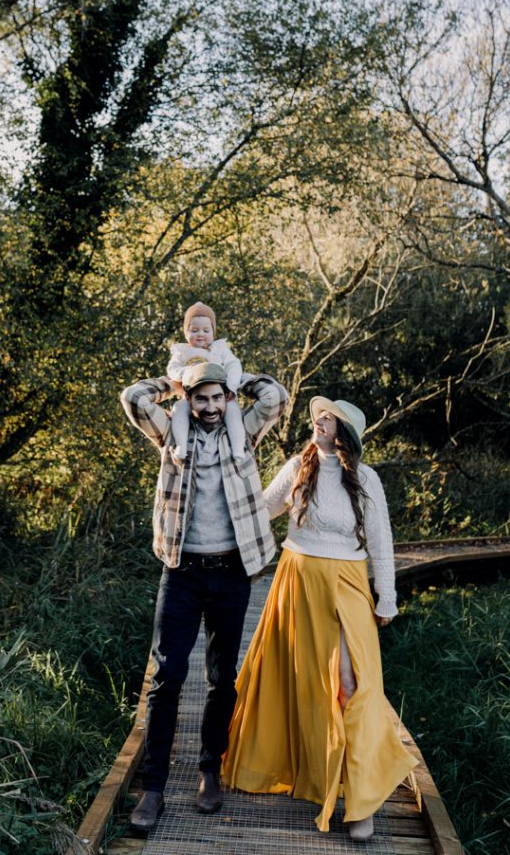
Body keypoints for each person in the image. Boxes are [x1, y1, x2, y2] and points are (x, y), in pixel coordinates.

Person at [222, 395, 418, 842]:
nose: (319, 422)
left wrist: (386, 597)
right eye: (319, 417)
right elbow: (261, 509)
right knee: (302, 681)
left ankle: (361, 800)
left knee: (352, 685)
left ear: (344, 433)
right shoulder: (298, 466)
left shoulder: (366, 479)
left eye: (328, 419)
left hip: (346, 584)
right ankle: (309, 773)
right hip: (297, 580)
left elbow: (381, 540)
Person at [120, 360, 288, 833]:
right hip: (182, 571)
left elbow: (274, 396)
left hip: (231, 572)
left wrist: (237, 379)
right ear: (188, 401)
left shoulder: (243, 434)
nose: (210, 407)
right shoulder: (171, 436)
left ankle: (209, 771)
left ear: (227, 399)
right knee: (166, 678)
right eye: (201, 398)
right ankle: (153, 787)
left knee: (221, 678)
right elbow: (134, 398)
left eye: (217, 397)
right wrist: (173, 381)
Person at [167, 301, 245, 464]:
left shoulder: (220, 349)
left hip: (220, 395)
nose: (200, 334)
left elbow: (234, 365)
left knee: (233, 412)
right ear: (186, 332)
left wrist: (231, 386)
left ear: (213, 332)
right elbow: (172, 369)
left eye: (206, 330)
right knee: (178, 410)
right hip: (192, 397)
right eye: (194, 330)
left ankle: (238, 448)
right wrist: (185, 372)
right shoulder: (182, 351)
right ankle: (181, 446)